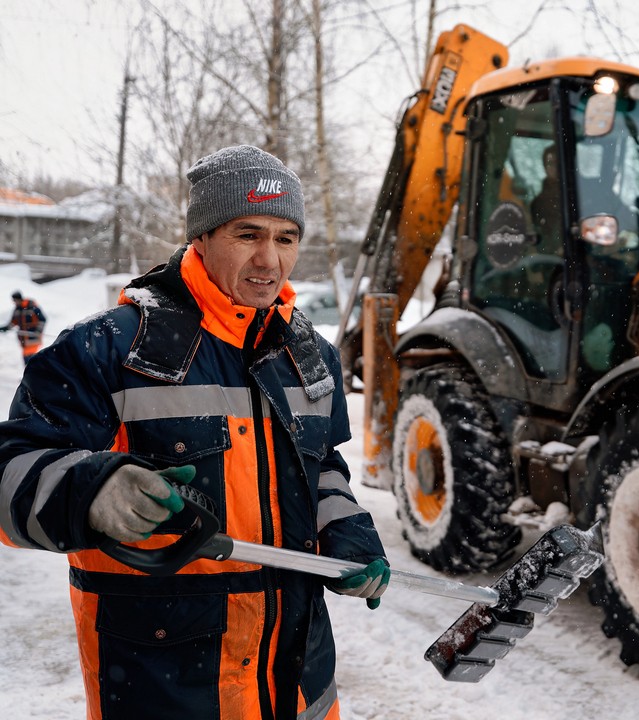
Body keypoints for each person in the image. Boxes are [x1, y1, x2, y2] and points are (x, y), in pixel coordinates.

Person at [0, 145, 389, 720]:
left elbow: (321, 464)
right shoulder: (111, 348)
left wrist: (346, 528)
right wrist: (93, 492)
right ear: (201, 239)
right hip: (165, 681)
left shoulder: (310, 354)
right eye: (247, 233)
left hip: (297, 681)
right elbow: (10, 478)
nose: (269, 259)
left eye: (286, 238)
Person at [1, 290, 46, 362]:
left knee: (32, 361)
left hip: (33, 338)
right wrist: (6, 328)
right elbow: (13, 322)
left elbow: (42, 320)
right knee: (28, 361)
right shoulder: (17, 309)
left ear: (19, 299)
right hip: (24, 340)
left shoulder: (31, 307)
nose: (14, 302)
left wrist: (38, 331)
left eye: (15, 300)